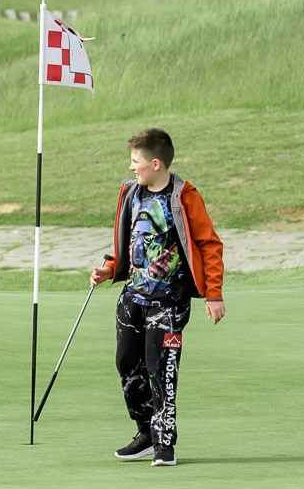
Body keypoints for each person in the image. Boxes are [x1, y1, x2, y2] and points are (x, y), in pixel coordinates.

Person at [89, 127, 224, 467]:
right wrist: (109, 268)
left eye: (136, 161)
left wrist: (213, 293)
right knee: (126, 363)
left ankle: (165, 443)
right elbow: (129, 240)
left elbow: (210, 245)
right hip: (132, 296)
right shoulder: (130, 192)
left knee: (160, 367)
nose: (132, 167)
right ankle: (146, 432)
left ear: (155, 163)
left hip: (169, 301)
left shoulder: (184, 196)